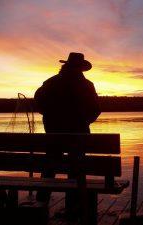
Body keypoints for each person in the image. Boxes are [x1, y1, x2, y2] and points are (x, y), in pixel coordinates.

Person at [34, 52, 101, 218]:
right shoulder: (87, 85)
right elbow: (96, 109)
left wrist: (49, 117)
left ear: (65, 66)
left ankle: (41, 203)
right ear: (80, 69)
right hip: (79, 135)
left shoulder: (50, 83)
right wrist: (84, 121)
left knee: (49, 167)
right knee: (76, 169)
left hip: (53, 134)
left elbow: (38, 102)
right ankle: (72, 207)